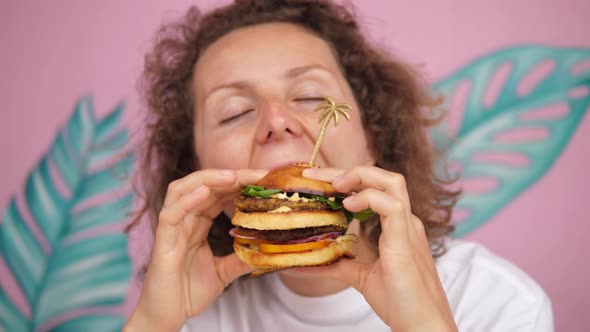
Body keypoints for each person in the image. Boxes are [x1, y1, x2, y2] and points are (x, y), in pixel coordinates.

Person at [124, 1, 553, 331]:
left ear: (373, 135)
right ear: (195, 169)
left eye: (311, 97)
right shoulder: (192, 314)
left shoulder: (496, 301)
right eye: (234, 112)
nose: (277, 121)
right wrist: (152, 323)